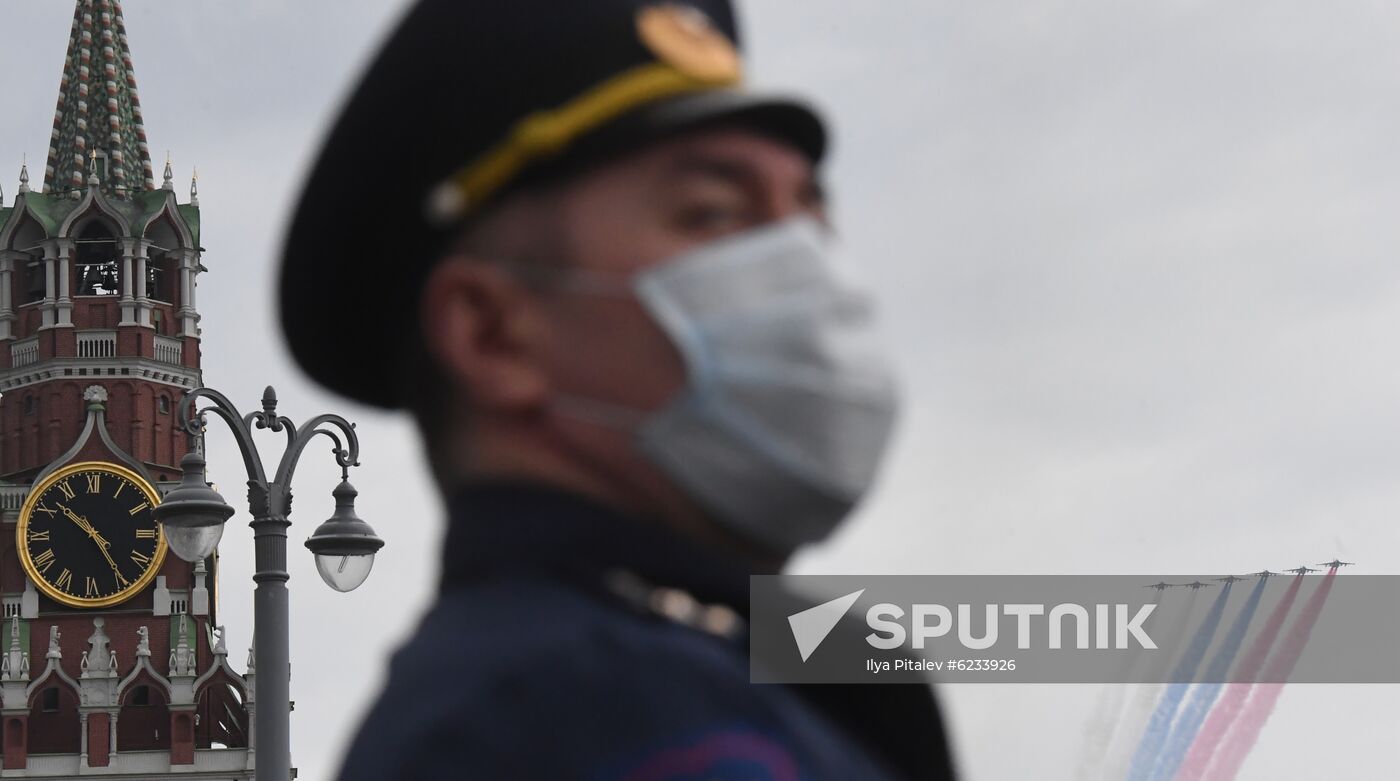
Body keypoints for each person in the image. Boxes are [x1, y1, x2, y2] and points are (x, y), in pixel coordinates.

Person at [278, 1, 958, 778]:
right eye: (715, 213)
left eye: (810, 215)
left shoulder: (727, 660)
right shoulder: (566, 715)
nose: (804, 267)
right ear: (492, 334)